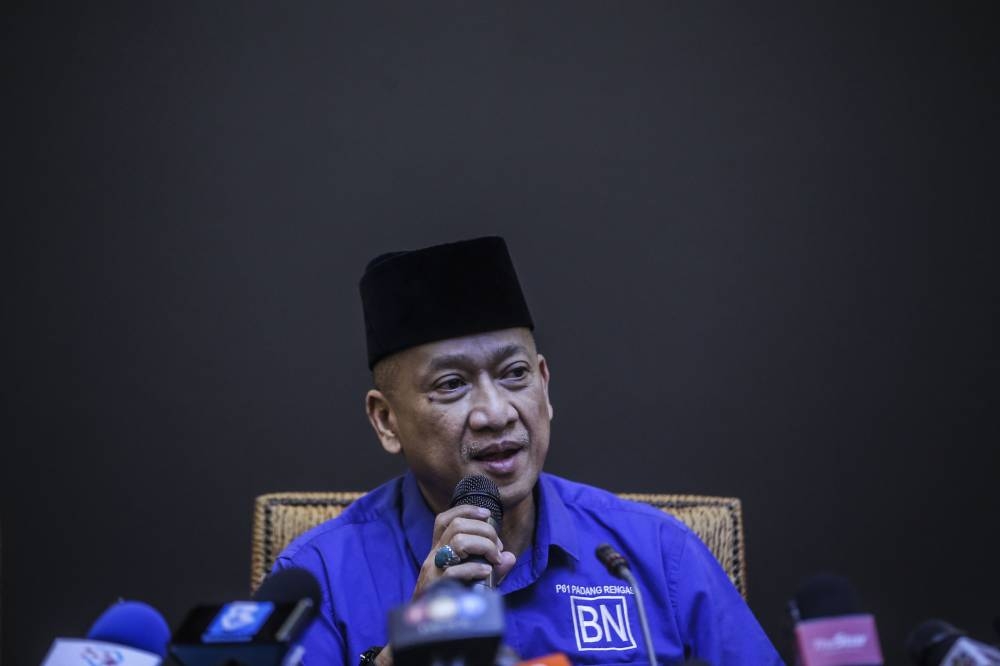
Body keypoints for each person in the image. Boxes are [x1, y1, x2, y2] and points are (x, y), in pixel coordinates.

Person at [274, 236, 783, 665]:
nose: (496, 413)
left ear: (543, 383)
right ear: (387, 420)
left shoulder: (653, 554)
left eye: (514, 374)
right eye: (452, 384)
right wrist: (405, 651)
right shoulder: (320, 573)